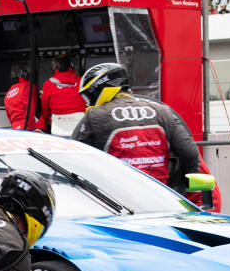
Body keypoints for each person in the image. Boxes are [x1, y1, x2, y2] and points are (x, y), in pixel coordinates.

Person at [72, 62, 200, 189]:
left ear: (99, 89)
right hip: (160, 195)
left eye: (88, 97)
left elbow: (76, 159)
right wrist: (180, 187)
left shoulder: (95, 116)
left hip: (117, 197)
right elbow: (190, 153)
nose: (88, 103)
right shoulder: (163, 111)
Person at [37, 55, 84, 132]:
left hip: (57, 128)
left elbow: (45, 110)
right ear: (71, 66)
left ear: (55, 67)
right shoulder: (82, 81)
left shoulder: (48, 84)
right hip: (80, 127)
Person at [2, 66, 39, 131]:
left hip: (14, 127)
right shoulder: (29, 86)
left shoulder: (8, 94)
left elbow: (9, 115)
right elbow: (31, 109)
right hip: (28, 127)